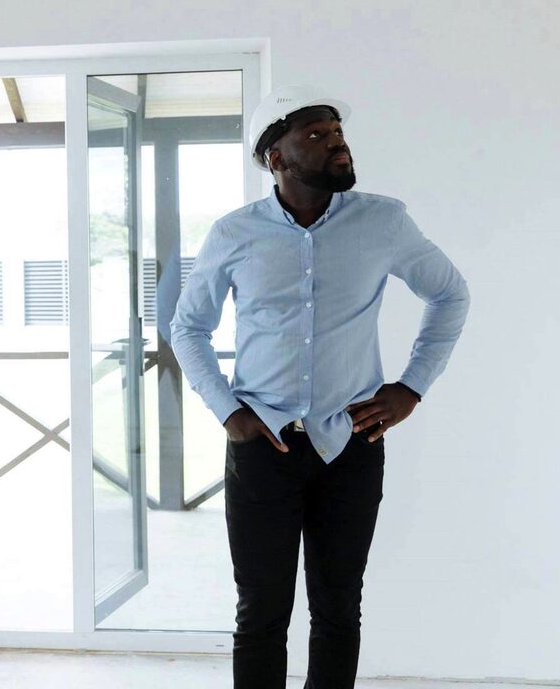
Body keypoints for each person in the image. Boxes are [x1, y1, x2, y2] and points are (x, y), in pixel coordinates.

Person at [170, 86, 469, 688]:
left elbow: (450, 293)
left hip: (351, 446)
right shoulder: (233, 233)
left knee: (337, 610)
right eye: (316, 134)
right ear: (274, 158)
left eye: (337, 132)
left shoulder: (383, 220)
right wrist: (229, 412)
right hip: (263, 450)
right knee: (261, 614)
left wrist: (411, 388)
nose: (336, 142)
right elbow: (187, 327)